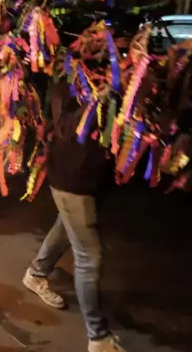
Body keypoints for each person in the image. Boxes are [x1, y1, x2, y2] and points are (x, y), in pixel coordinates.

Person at [22, 81, 125, 352]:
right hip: (71, 181)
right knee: (89, 257)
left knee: (66, 227)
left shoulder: (122, 82)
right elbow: (66, 126)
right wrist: (96, 100)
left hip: (92, 180)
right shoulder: (64, 87)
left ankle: (36, 273)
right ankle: (98, 337)